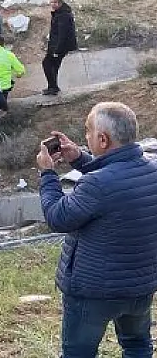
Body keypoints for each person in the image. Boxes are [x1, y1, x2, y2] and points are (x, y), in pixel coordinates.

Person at [36, 102, 157, 358]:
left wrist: (47, 174)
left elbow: (58, 218)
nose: (86, 137)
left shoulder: (96, 184)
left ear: (103, 139)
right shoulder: (151, 170)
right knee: (137, 347)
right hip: (140, 287)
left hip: (94, 292)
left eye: (88, 132)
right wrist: (79, 158)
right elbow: (116, 176)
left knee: (78, 354)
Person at [42, 0, 78, 96]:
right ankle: (52, 87)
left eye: (54, 2)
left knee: (47, 64)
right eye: (51, 2)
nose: (52, 4)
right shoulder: (60, 13)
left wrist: (57, 50)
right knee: (53, 66)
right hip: (56, 45)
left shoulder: (63, 15)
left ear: (60, 3)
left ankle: (53, 87)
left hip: (59, 46)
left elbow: (62, 35)